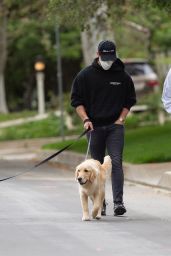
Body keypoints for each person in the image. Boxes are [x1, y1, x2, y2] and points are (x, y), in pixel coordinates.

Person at [71, 40, 136, 216]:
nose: (109, 61)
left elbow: (130, 100)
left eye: (111, 57)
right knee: (96, 166)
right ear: (98, 55)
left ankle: (118, 203)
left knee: (116, 162)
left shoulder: (122, 76)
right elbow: (76, 101)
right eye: (105, 57)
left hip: (115, 126)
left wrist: (121, 118)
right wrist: (85, 119)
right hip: (94, 126)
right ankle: (100, 203)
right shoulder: (85, 76)